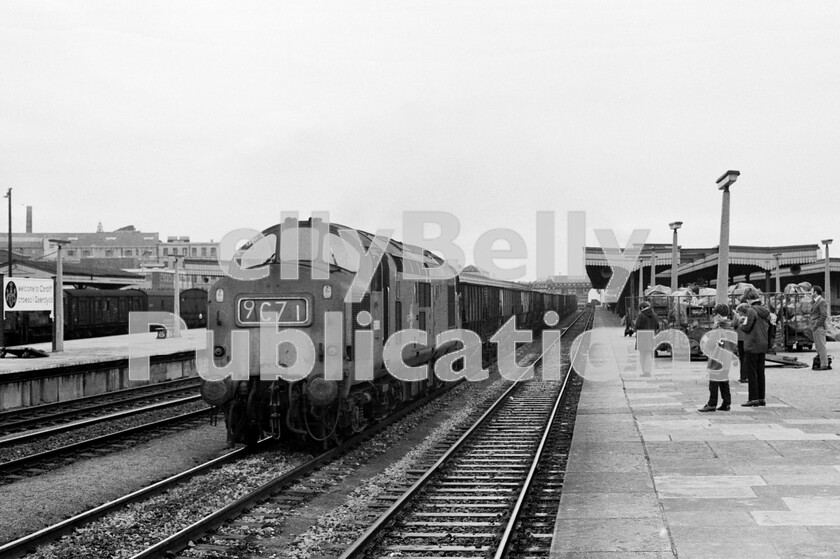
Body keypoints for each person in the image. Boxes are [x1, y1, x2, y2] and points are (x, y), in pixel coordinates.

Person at [698, 304, 736, 412]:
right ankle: (726, 402)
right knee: (724, 380)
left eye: (714, 315)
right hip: (727, 356)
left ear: (718, 315)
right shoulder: (731, 326)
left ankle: (712, 403)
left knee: (714, 381)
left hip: (717, 357)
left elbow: (710, 344)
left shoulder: (719, 328)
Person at [740, 288, 771, 406]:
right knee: (761, 372)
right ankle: (761, 397)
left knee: (752, 372)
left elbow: (746, 328)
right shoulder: (765, 310)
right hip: (763, 343)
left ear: (748, 299)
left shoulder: (751, 311)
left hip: (752, 344)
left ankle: (753, 398)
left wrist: (741, 322)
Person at [634, 301, 659, 374]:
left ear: (641, 308)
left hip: (642, 336)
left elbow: (637, 326)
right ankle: (648, 371)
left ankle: (644, 371)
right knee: (648, 354)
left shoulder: (641, 315)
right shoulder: (654, 315)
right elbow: (657, 326)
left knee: (642, 354)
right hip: (651, 336)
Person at [810, 286, 831, 370]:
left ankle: (824, 365)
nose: (810, 293)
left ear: (815, 292)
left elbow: (823, 315)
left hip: (819, 327)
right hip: (816, 327)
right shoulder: (816, 301)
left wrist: (817, 325)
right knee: (818, 346)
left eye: (811, 291)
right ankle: (822, 363)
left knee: (821, 346)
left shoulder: (821, 302)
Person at [733, 303, 749, 383]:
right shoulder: (750, 315)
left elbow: (734, 324)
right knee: (746, 358)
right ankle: (745, 376)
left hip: (739, 338)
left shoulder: (737, 315)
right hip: (747, 338)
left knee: (742, 358)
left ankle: (742, 376)